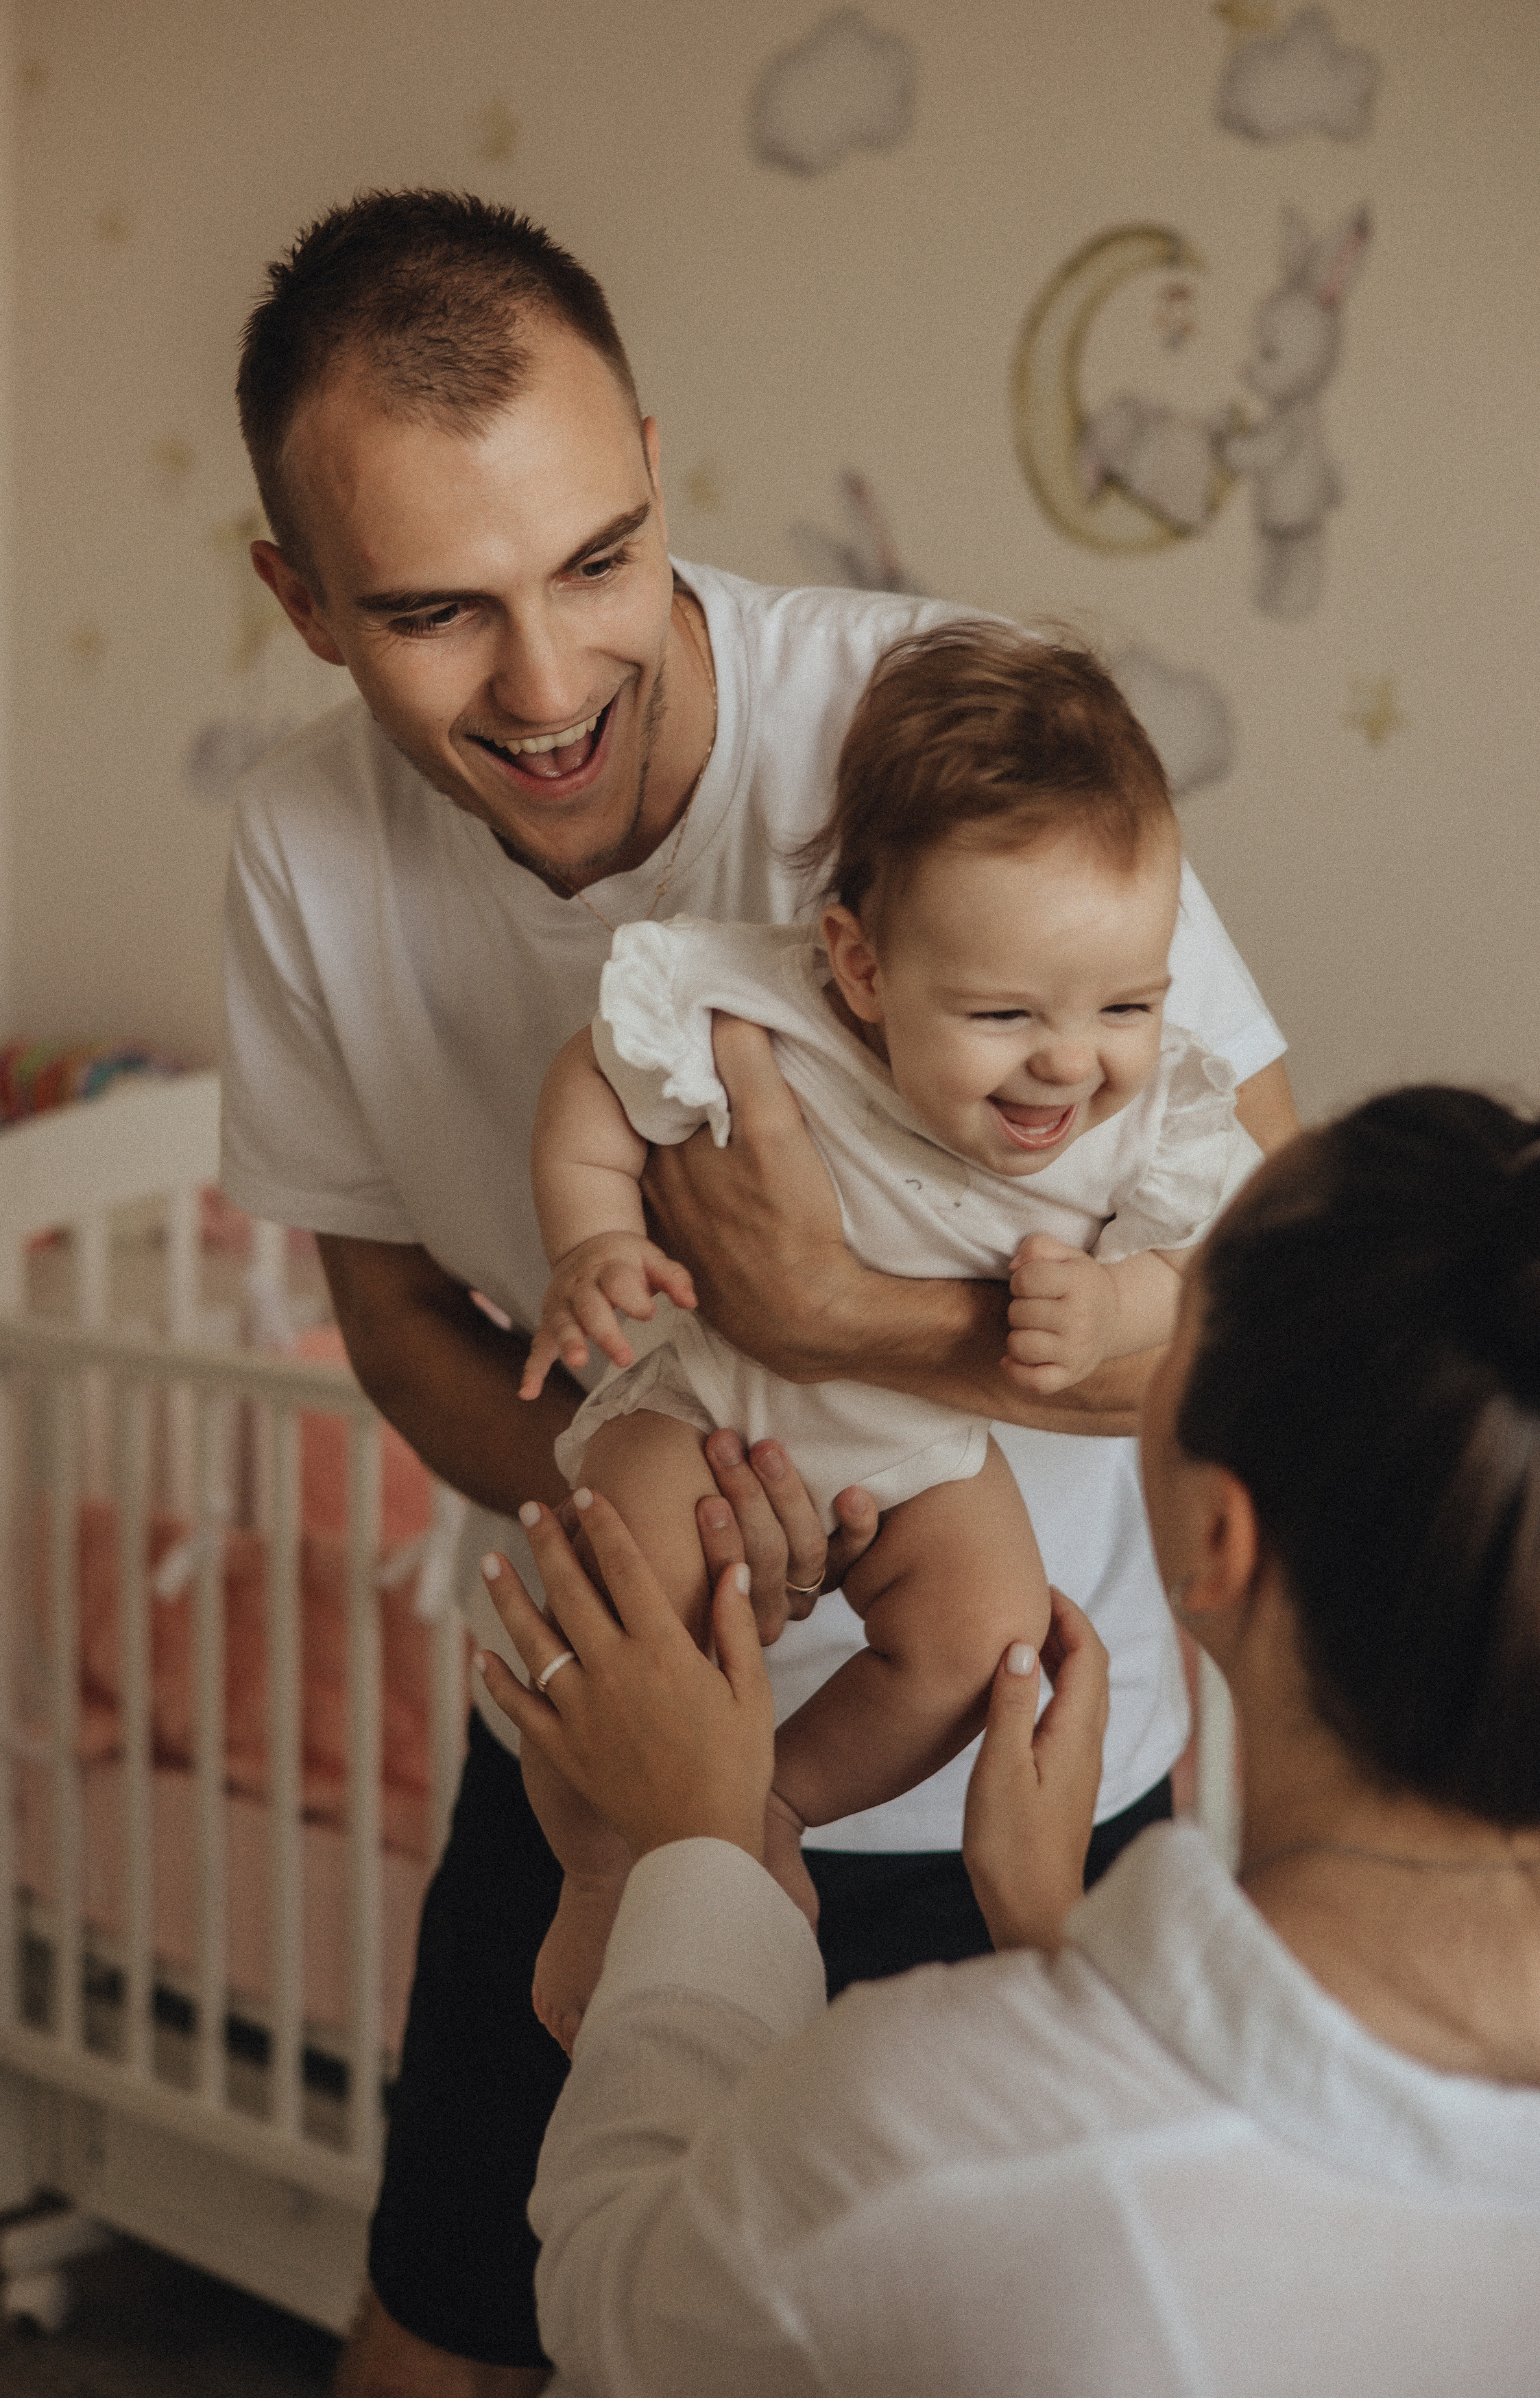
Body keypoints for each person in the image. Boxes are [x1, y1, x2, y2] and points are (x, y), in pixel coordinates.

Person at [218, 187, 1297, 2394]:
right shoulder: (300, 852)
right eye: (438, 610)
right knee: (447, 2337)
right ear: (303, 607)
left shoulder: (946, 749)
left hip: (1024, 1780)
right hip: (612, 1755)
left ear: (656, 474)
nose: (549, 683)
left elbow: (1292, 1340)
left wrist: (828, 1341)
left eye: (599, 561)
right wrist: (683, 1509)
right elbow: (407, 1317)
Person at [479, 1091, 1540, 2397]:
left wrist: (700, 1848)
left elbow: (619, 2300)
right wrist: (1053, 1931)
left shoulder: (924, 2144)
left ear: (1220, 1543)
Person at [518, 623, 1260, 2049]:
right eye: (1000, 1013)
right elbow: (593, 1084)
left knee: (980, 1643)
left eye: (1127, 1003)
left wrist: (1114, 1301)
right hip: (707, 1404)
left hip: (916, 1449)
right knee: (621, 1619)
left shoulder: (1140, 1115)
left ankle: (771, 1805)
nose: (1069, 1059)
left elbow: (1214, 1271)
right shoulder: (764, 1012)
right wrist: (594, 1238)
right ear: (857, 964)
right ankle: (610, 1868)